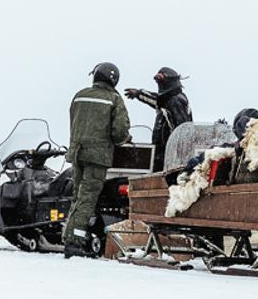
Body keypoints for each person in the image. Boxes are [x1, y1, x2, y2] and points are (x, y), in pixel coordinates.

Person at [63, 62, 130, 258]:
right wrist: (122, 140)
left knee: (77, 196)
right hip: (97, 156)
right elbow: (119, 132)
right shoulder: (114, 99)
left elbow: (74, 121)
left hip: (77, 153)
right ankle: (73, 242)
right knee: (88, 198)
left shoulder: (80, 95)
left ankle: (69, 235)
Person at [125, 66, 193, 172]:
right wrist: (139, 93)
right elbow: (157, 100)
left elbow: (182, 130)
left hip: (170, 153)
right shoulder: (168, 99)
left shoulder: (176, 101)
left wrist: (176, 154)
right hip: (164, 151)